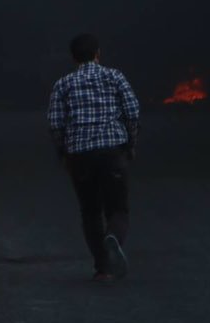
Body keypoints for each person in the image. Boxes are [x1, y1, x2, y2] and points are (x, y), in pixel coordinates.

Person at [47, 34, 140, 282]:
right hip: (112, 151)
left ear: (73, 57)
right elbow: (132, 112)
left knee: (89, 211)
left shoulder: (63, 84)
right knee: (118, 208)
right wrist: (131, 144)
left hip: (80, 156)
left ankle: (103, 268)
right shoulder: (114, 76)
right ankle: (114, 238)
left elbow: (56, 124)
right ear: (98, 53)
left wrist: (63, 155)